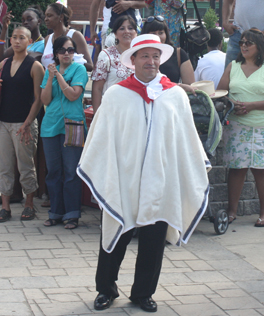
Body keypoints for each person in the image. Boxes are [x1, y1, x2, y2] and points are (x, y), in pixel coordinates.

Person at [76, 34, 210, 312]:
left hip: (160, 181)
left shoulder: (175, 95)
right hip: (123, 178)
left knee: (153, 240)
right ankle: (106, 289)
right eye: (145, 56)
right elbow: (101, 139)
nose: (151, 61)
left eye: (155, 56)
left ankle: (143, 293)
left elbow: (185, 140)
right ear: (133, 59)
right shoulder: (116, 95)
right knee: (115, 232)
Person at [217, 28, 264, 227]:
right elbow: (220, 92)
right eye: (241, 43)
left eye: (249, 43)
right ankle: (232, 211)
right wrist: (231, 103)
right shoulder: (233, 66)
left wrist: (252, 106)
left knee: (262, 169)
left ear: (260, 47)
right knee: (237, 169)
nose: (244, 46)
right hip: (237, 125)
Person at [40, 36, 88, 230]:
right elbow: (45, 99)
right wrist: (51, 76)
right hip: (51, 125)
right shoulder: (48, 71)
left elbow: (73, 94)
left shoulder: (79, 69)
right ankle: (56, 212)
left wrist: (58, 76)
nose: (66, 54)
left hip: (72, 124)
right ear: (55, 53)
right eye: (62, 50)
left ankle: (72, 214)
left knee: (70, 171)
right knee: (53, 171)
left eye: (70, 50)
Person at [0, 27, 45, 222]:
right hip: (4, 122)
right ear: (10, 40)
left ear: (29, 41)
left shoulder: (35, 66)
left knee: (26, 166)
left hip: (23, 123)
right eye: (15, 38)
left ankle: (29, 204)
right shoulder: (4, 63)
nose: (17, 41)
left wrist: (28, 122)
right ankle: (5, 206)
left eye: (22, 38)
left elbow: (38, 99)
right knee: (5, 167)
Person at [91, 15, 137, 114]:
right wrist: (97, 116)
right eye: (122, 28)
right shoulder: (106, 55)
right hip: (112, 111)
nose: (126, 32)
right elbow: (97, 88)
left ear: (136, 33)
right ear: (115, 34)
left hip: (136, 112)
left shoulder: (141, 55)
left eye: (130, 28)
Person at [222, 0, 264, 67]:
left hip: (261, 37)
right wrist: (225, 22)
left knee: (261, 74)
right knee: (230, 74)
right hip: (238, 34)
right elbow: (228, 1)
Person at [142, 16, 195, 91]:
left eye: (161, 33)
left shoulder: (179, 53)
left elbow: (190, 87)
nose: (158, 37)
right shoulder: (139, 56)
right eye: (153, 33)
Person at [41, 3, 93, 71]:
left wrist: (68, 60)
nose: (46, 19)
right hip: (50, 80)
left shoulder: (75, 35)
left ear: (61, 17)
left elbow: (90, 66)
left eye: (49, 16)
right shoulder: (47, 39)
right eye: (45, 16)